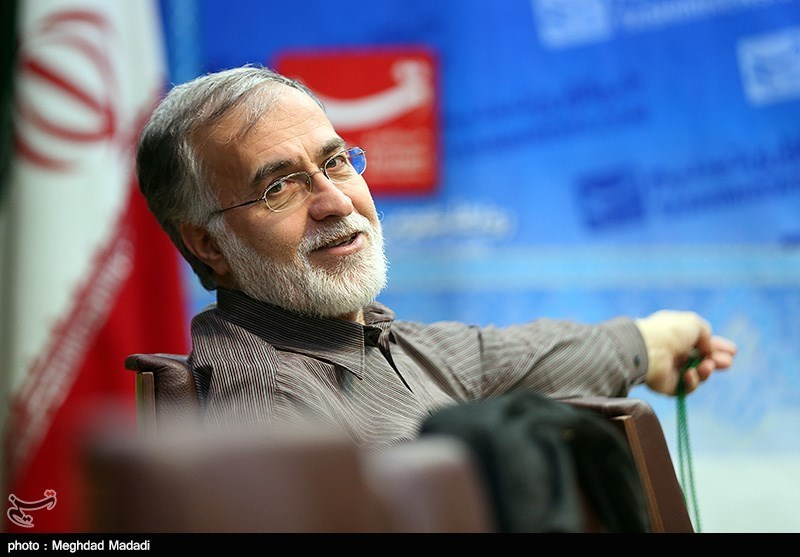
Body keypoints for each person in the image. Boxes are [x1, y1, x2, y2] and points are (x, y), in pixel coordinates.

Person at [135, 64, 737, 448]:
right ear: (208, 244)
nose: (335, 201)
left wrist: (652, 342)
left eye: (335, 162)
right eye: (279, 188)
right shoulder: (271, 414)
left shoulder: (374, 340)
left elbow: (519, 358)